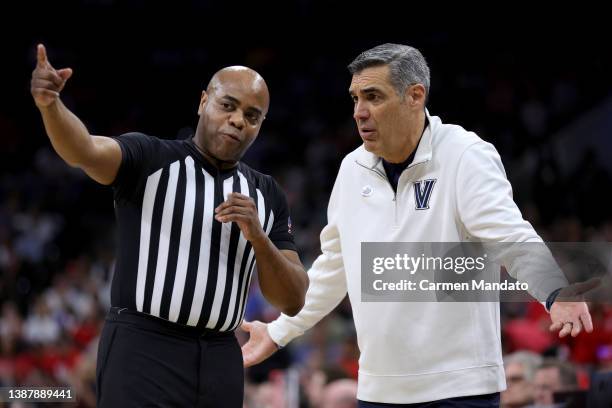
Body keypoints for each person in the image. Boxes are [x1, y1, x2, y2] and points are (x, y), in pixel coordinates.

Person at [239, 43, 593, 406]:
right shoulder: (350, 169)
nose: (359, 112)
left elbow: (510, 235)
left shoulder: (464, 154)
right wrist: (279, 331)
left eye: (373, 97)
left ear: (415, 96)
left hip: (459, 389)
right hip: (378, 390)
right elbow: (334, 268)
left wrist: (554, 290)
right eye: (355, 98)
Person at [30, 43, 308, 407]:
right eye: (228, 105)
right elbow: (83, 150)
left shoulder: (267, 194)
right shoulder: (150, 158)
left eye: (252, 116)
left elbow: (293, 298)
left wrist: (258, 238)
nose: (239, 120)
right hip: (143, 347)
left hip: (221, 355)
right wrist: (52, 105)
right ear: (203, 101)